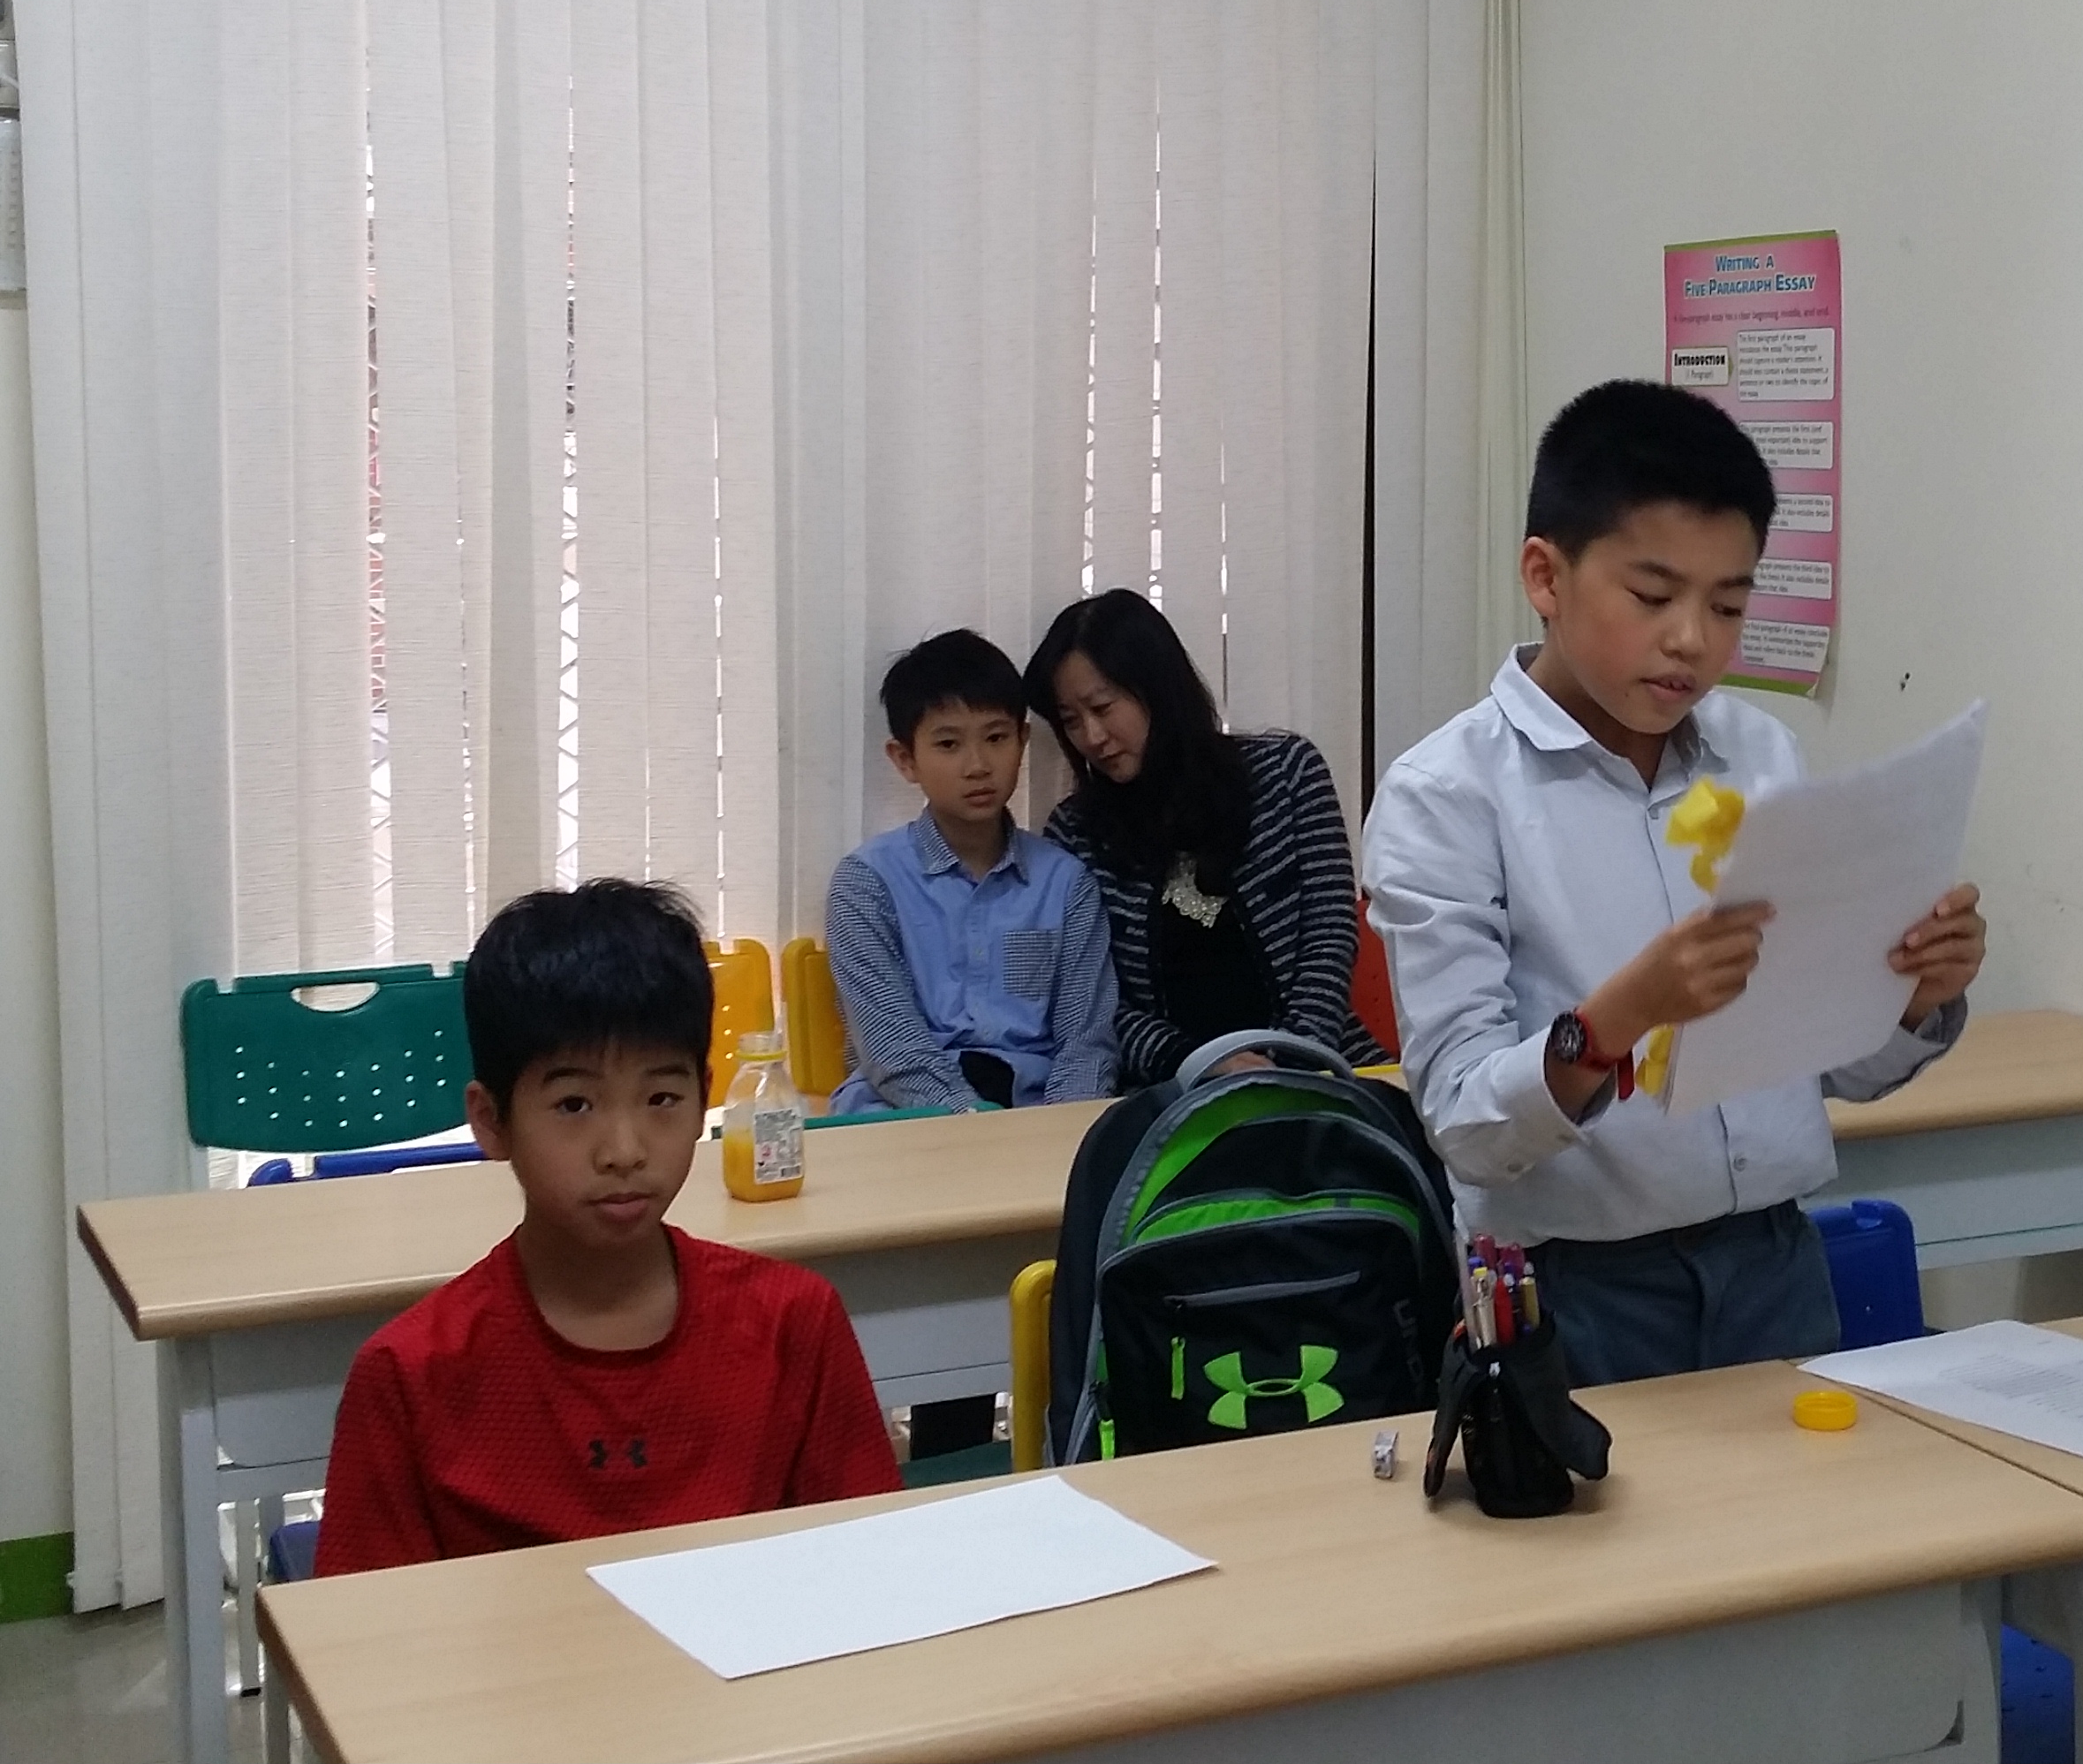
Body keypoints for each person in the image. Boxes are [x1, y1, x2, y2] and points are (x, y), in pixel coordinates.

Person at [1360, 380, 1989, 1388]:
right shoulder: (1448, 795)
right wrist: (1620, 1018)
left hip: (1776, 1264)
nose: (1693, 638)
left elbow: (1827, 1067)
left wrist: (1913, 996)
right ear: (1545, 575)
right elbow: (1465, 1123)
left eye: (1728, 604)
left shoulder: (1760, 752)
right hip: (1572, 1291)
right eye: (1653, 598)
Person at [312, 879, 900, 1573]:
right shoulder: (411, 1376)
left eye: (662, 1098)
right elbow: (363, 1629)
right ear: (491, 1120)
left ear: (703, 1098)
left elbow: (870, 1573)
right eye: (574, 1105)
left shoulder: (793, 1325)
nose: (624, 1150)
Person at [1026, 588, 1386, 1088]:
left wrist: (1289, 1062)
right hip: (1173, 1090)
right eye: (1071, 721)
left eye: (1102, 707)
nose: (1091, 736)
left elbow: (1330, 934)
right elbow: (1096, 1000)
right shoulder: (1075, 832)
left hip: (1322, 1066)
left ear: (1157, 687)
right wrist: (1196, 1064)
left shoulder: (1287, 773)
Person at [823, 628, 1118, 1112]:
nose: (978, 765)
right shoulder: (867, 884)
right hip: (902, 1115)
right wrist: (972, 1125)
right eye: (948, 744)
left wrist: (1063, 1135)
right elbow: (893, 1050)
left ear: (1023, 741)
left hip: (1033, 1112)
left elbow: (1085, 1044)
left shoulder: (1066, 885)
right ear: (905, 759)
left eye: (996, 738)